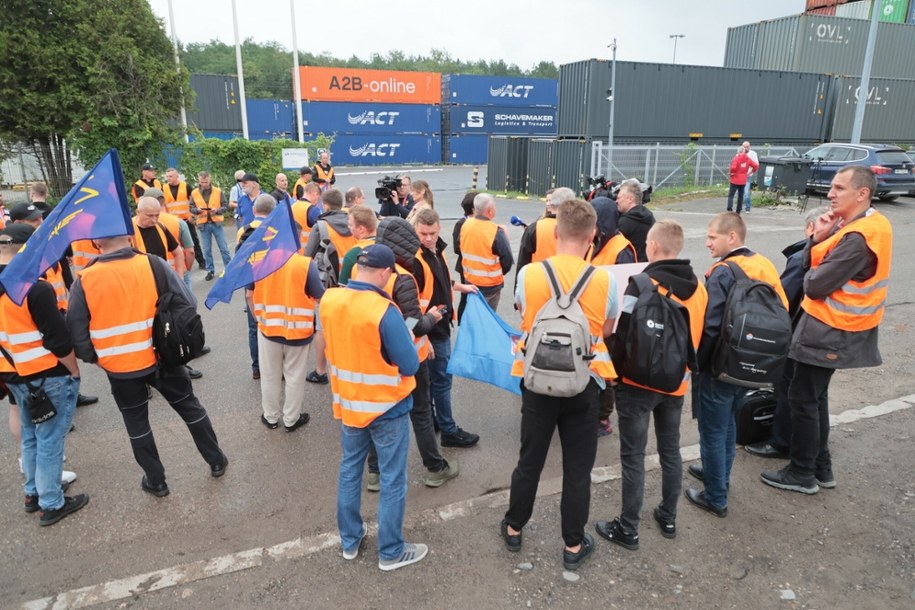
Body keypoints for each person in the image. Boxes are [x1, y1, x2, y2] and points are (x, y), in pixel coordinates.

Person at [761, 166, 892, 495]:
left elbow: (815, 284)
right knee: (814, 398)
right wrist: (817, 241)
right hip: (830, 329)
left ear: (862, 194)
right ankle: (821, 467)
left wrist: (814, 253)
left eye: (839, 188)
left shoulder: (858, 238)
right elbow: (816, 267)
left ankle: (802, 473)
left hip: (830, 330)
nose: (830, 193)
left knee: (803, 399)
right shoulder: (863, 225)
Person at [502, 199, 617, 571]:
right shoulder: (604, 278)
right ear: (592, 236)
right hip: (586, 383)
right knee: (577, 468)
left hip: (536, 381)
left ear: (555, 231)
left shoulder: (530, 275)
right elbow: (608, 329)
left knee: (529, 460)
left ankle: (515, 526)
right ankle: (572, 544)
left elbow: (525, 315)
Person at [67, 234, 229, 498]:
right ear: (130, 238)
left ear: (97, 243)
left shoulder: (85, 279)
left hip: (119, 366)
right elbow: (188, 302)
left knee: (137, 423)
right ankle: (216, 460)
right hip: (162, 357)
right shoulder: (153, 264)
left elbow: (76, 328)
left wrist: (94, 358)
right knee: (189, 407)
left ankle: (156, 481)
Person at [595, 220, 707, 549]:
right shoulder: (698, 287)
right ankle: (668, 515)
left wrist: (613, 375)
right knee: (670, 452)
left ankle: (628, 527)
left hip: (637, 383)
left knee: (633, 456)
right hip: (675, 384)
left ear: (654, 246)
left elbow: (622, 334)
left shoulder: (641, 283)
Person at [321, 243, 427, 571]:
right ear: (384, 273)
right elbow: (409, 365)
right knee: (393, 478)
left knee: (350, 469)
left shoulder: (330, 299)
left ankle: (350, 541)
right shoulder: (383, 310)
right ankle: (391, 551)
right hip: (387, 407)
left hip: (350, 405)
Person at [686, 212, 787, 518]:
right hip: (752, 364)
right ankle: (719, 476)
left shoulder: (722, 272)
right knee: (728, 422)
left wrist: (697, 365)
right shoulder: (763, 263)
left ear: (732, 237)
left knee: (713, 430)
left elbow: (711, 327)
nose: (707, 243)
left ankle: (715, 496)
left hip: (720, 366)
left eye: (712, 237)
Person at [0, 223, 88, 526]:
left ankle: (33, 492)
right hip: (46, 374)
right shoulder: (34, 288)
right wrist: (74, 370)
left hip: (12, 375)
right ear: (27, 249)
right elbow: (57, 339)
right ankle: (51, 502)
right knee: (50, 439)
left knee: (30, 435)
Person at [363, 217, 458, 492]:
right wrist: (431, 317)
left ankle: (374, 473)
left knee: (376, 415)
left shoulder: (362, 271)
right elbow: (411, 326)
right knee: (421, 413)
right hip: (409, 359)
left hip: (376, 359)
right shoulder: (402, 280)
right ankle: (435, 468)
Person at [745, 207, 826, 460]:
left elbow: (785, 299)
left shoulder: (803, 255)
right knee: (816, 397)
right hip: (823, 334)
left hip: (799, 334)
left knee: (790, 390)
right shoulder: (833, 254)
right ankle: (817, 452)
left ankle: (781, 443)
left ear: (810, 228)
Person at [247, 196, 325, 433]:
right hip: (298, 332)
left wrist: (259, 319)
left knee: (270, 376)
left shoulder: (259, 260)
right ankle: (291, 419)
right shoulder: (305, 264)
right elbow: (320, 297)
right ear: (298, 238)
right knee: (295, 376)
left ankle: (270, 417)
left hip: (268, 329)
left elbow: (250, 295)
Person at [413, 208, 481, 448]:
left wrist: (460, 287)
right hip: (431, 332)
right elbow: (412, 305)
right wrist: (425, 338)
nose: (428, 238)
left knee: (434, 381)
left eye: (432, 232)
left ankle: (436, 422)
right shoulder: (416, 259)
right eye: (423, 233)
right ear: (416, 230)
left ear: (439, 228)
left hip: (438, 328)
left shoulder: (435, 251)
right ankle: (448, 430)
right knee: (441, 381)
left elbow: (440, 279)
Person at [304, 189, 356, 385]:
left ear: (325, 206)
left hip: (328, 284)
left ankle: (320, 370)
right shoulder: (354, 223)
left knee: (322, 327)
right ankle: (348, 365)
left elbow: (307, 256)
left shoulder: (321, 226)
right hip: (353, 282)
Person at [236, 194, 278, 381]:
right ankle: (276, 368)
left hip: (252, 282)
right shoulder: (277, 230)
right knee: (275, 324)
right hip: (274, 282)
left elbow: (239, 260)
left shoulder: (244, 231)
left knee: (254, 327)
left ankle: (257, 368)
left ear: (254, 210)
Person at [458, 193, 513, 312]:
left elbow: (460, 246)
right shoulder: (496, 231)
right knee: (488, 319)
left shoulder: (465, 225)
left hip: (470, 282)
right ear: (490, 211)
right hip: (490, 286)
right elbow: (507, 260)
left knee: (474, 316)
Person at [515, 187, 568, 284]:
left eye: (551, 201)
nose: (548, 203)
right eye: (547, 200)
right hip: (564, 281)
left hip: (540, 280)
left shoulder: (535, 227)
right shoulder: (574, 226)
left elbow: (523, 262)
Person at [190, 171, 232, 282]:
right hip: (203, 224)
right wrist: (197, 211)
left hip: (216, 223)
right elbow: (191, 207)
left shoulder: (218, 191)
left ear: (210, 180)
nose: (204, 184)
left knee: (224, 248)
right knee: (207, 250)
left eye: (206, 182)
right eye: (202, 182)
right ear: (199, 181)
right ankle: (210, 270)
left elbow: (225, 205)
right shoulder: (194, 193)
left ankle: (229, 269)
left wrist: (217, 211)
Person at [163, 168, 205, 270]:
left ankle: (202, 262)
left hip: (186, 221)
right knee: (174, 245)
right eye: (167, 176)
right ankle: (182, 264)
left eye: (171, 176)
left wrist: (192, 216)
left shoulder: (186, 187)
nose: (168, 178)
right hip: (172, 222)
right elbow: (163, 205)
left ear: (177, 176)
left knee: (193, 242)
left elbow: (194, 202)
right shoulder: (163, 188)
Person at [451, 191, 477, 321]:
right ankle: (462, 323)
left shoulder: (480, 224)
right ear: (473, 208)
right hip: (465, 267)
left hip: (479, 268)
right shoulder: (461, 224)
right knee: (466, 296)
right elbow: (456, 248)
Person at [616, 179, 655, 263]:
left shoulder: (626, 222)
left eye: (619, 198)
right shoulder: (649, 216)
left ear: (630, 199)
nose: (616, 201)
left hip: (631, 267)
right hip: (648, 266)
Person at [338, 205, 378, 286]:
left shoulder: (353, 254)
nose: (348, 227)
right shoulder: (386, 246)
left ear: (360, 229)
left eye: (350, 225)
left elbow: (343, 289)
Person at [726, 147, 758, 216]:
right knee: (740, 196)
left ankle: (729, 208)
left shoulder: (736, 158)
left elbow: (733, 168)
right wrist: (751, 172)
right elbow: (755, 166)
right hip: (743, 180)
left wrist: (732, 173)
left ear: (738, 152)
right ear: (744, 152)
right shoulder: (748, 159)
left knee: (731, 195)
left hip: (735, 180)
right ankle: (738, 210)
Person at [292, 182, 322, 247]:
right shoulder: (313, 210)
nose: (317, 201)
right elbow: (322, 231)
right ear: (315, 194)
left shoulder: (292, 206)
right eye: (318, 197)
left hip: (293, 252)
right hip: (307, 253)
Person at [742, 141, 759, 213]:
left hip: (747, 176)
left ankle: (747, 207)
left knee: (746, 192)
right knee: (740, 192)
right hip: (740, 175)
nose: (746, 148)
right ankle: (739, 207)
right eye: (744, 147)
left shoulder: (753, 154)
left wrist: (751, 172)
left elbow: (756, 165)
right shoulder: (740, 153)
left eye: (747, 147)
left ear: (749, 146)